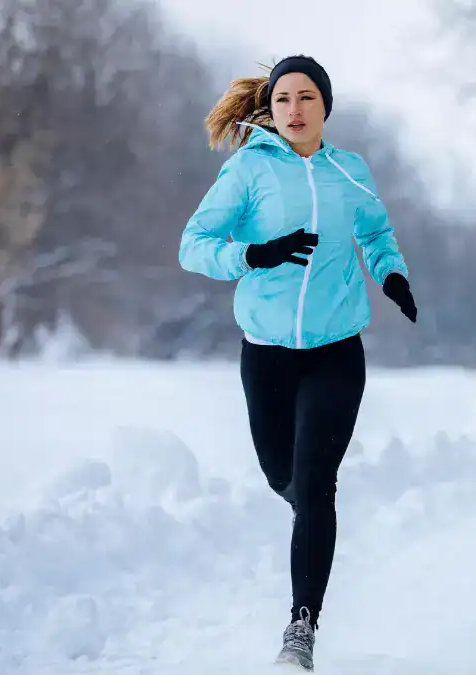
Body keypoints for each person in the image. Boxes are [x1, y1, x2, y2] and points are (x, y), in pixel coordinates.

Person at [177, 54, 417, 671]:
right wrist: (254, 255)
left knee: (315, 486)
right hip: (268, 357)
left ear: (325, 107)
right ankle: (310, 514)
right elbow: (193, 246)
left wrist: (391, 275)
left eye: (306, 98)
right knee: (284, 477)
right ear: (271, 107)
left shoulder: (350, 171)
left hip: (338, 352)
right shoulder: (248, 170)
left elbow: (377, 234)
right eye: (283, 99)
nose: (294, 110)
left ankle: (300, 629)